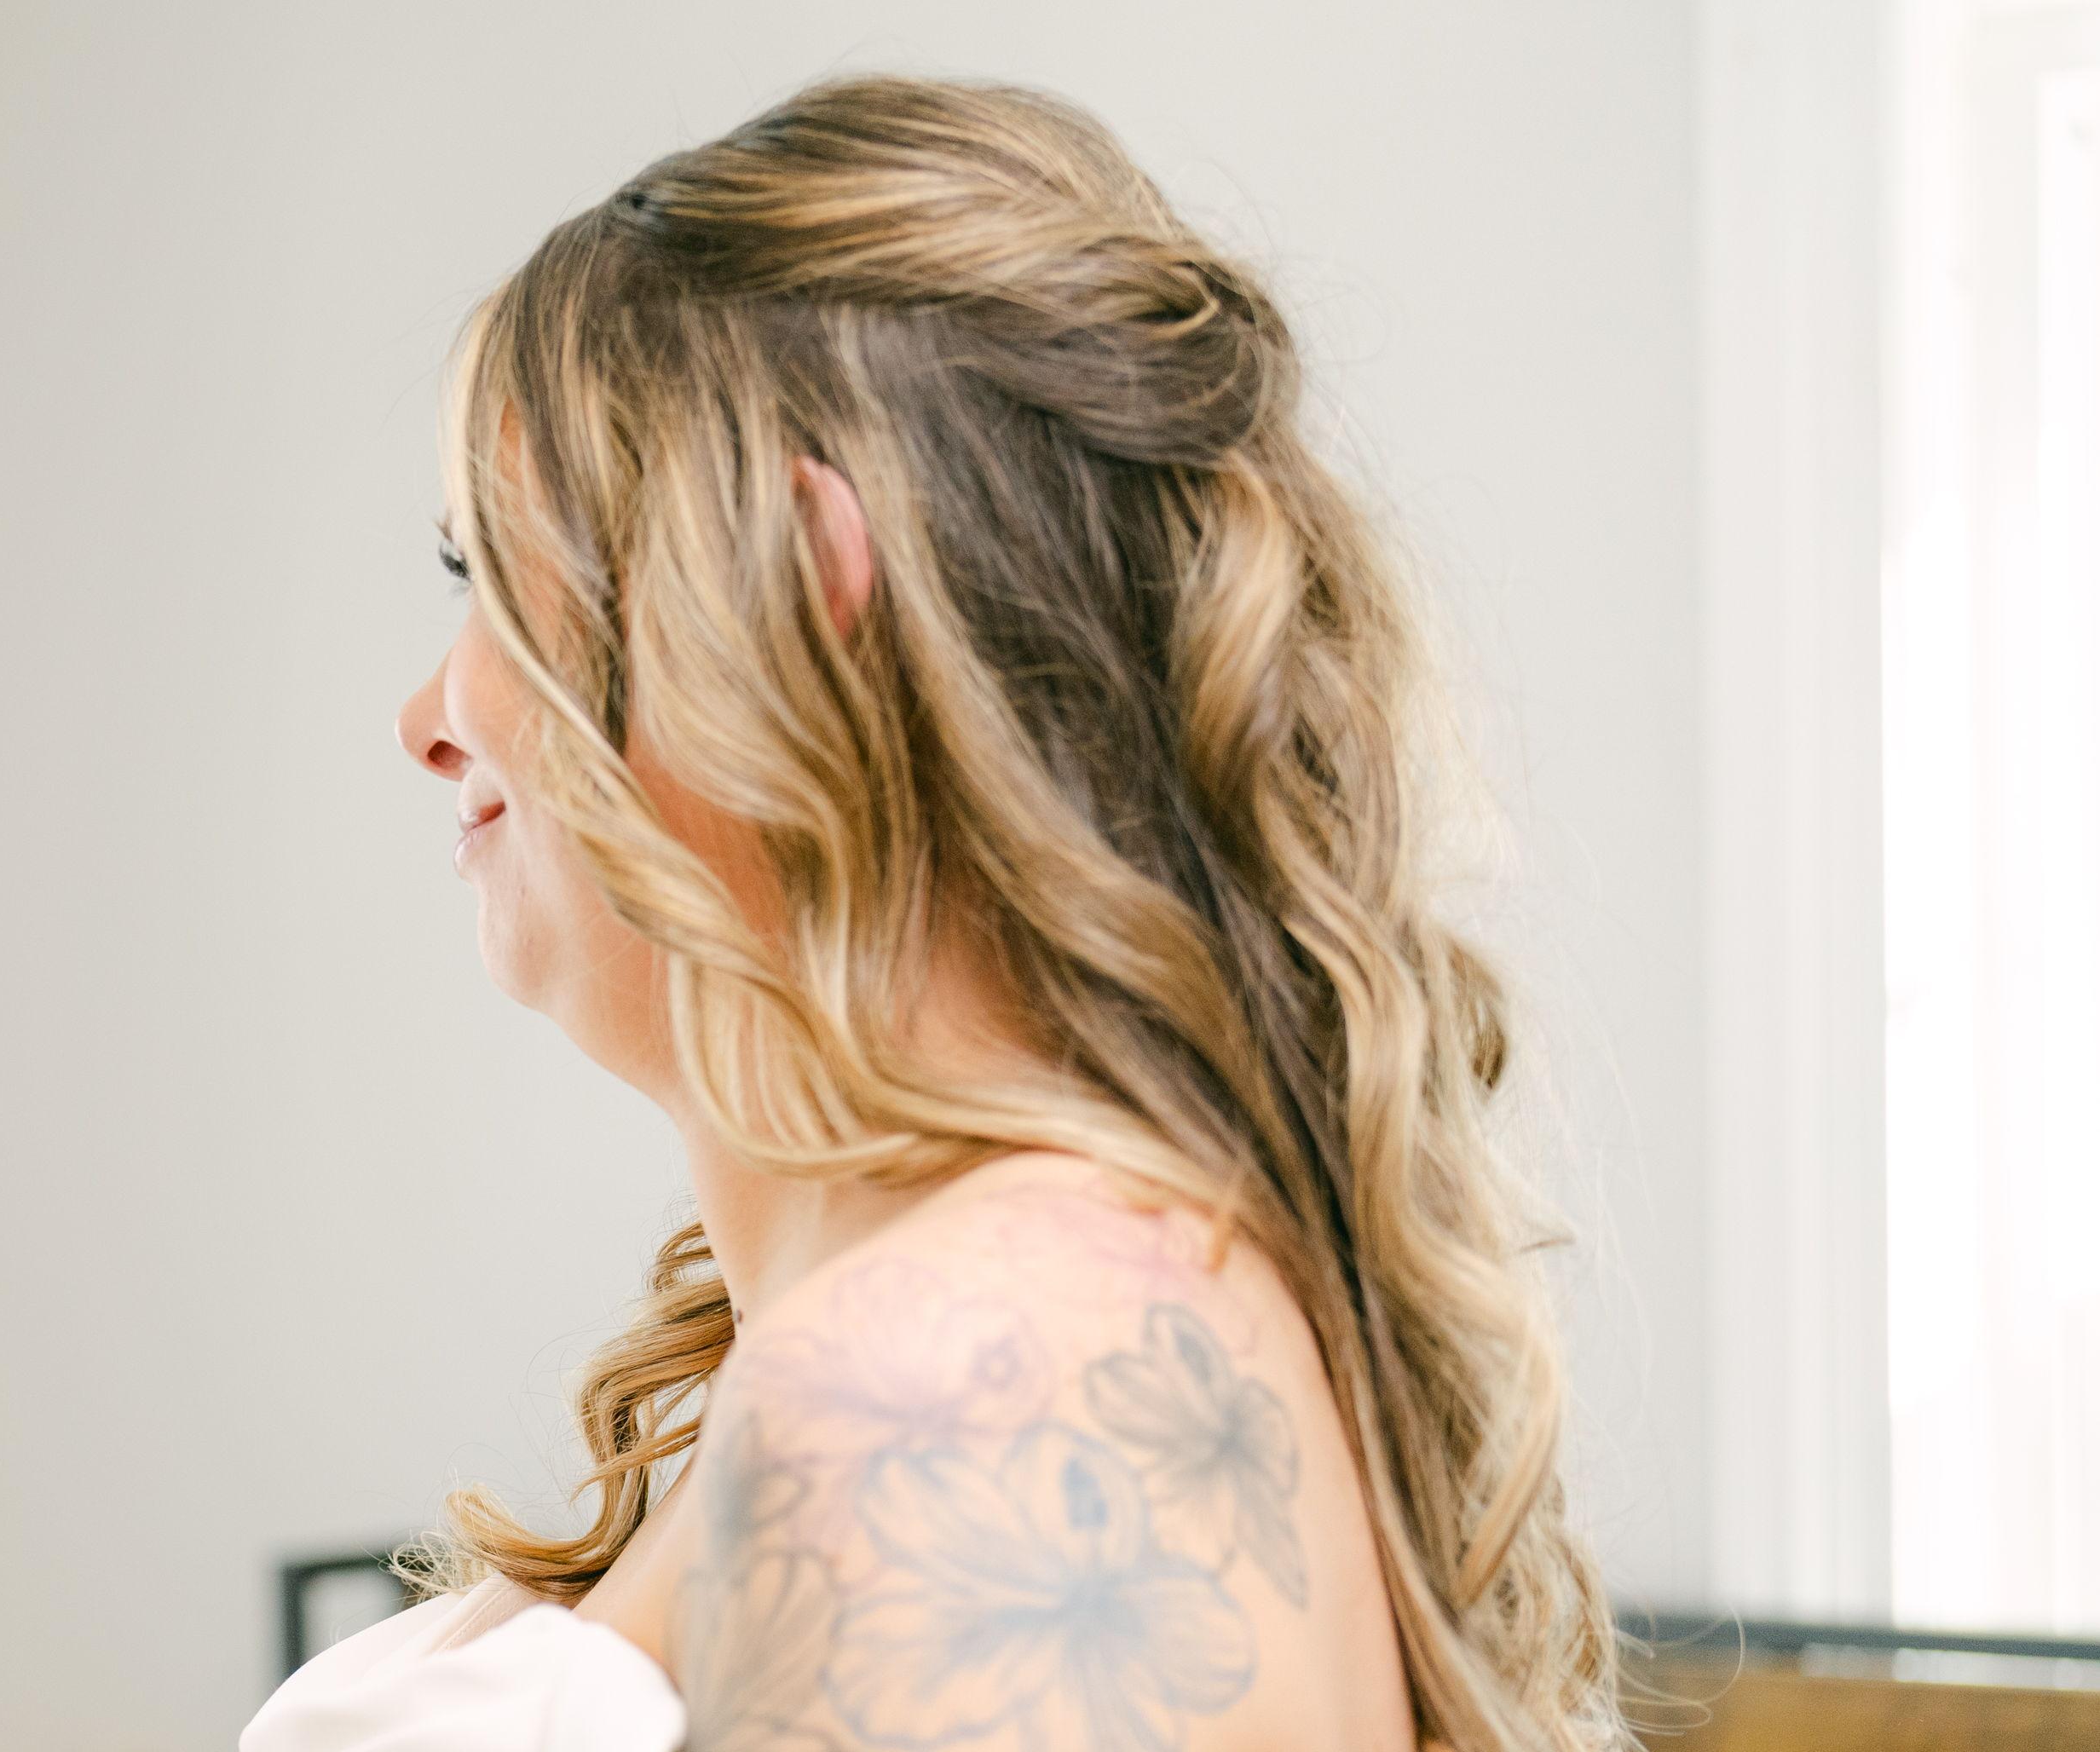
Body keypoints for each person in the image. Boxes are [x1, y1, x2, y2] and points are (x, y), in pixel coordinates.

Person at [248, 78, 1624, 1752]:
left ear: (784, 584)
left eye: (485, 574)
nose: (426, 718)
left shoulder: (970, 1402)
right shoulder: (970, 1345)